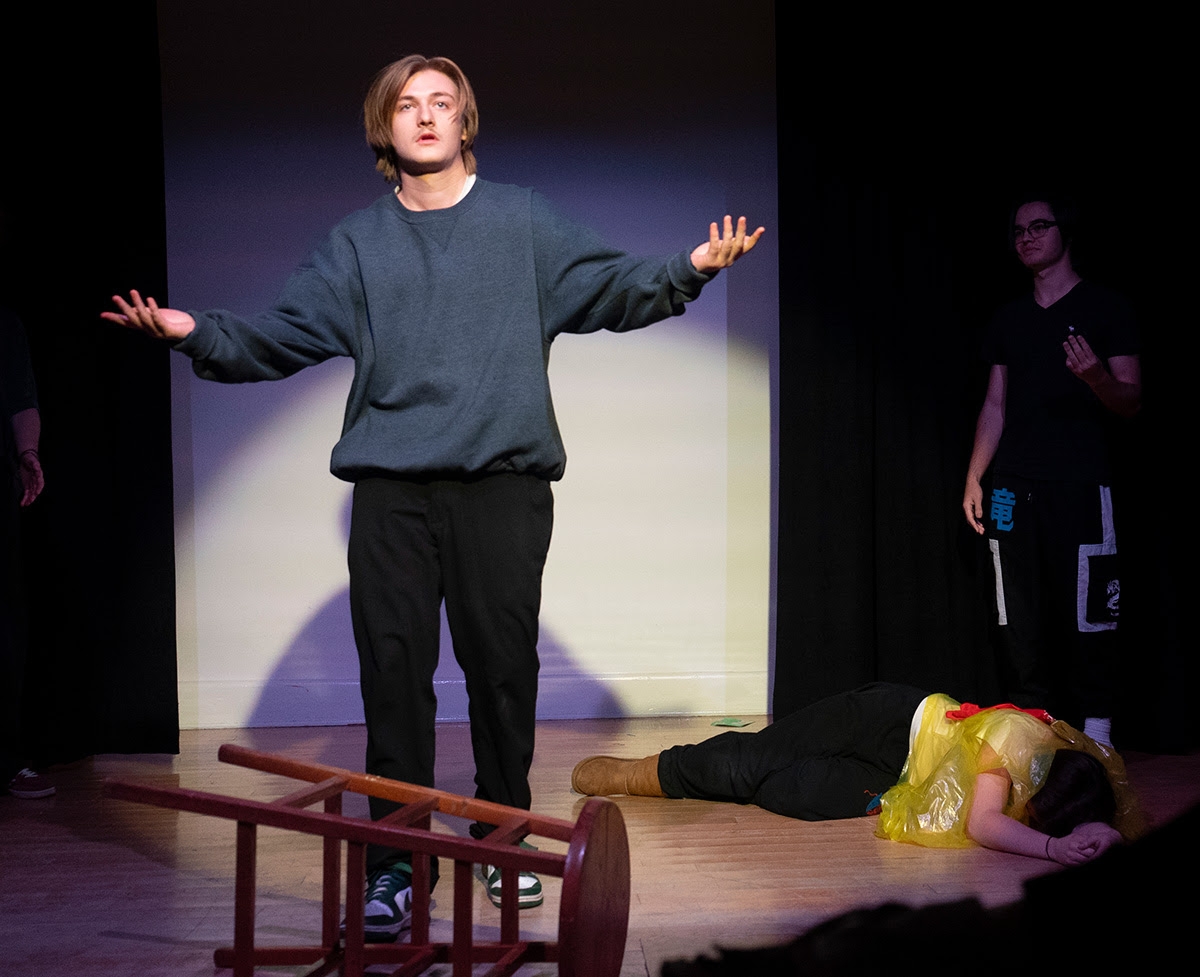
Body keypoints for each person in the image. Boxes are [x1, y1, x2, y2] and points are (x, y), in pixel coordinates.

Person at [103, 54, 763, 939]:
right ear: (386, 127)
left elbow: (611, 286)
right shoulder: (356, 244)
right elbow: (282, 334)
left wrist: (689, 267)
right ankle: (392, 865)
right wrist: (195, 332)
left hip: (503, 488)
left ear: (464, 123)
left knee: (501, 672)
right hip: (392, 495)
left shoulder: (523, 221)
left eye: (441, 103)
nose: (425, 117)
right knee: (394, 683)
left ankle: (506, 838)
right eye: (407, 105)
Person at [571, 682, 1143, 863]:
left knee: (792, 793)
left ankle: (745, 779)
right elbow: (984, 822)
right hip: (887, 723)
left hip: (899, 777)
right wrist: (1052, 848)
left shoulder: (1075, 768)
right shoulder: (1015, 741)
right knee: (749, 764)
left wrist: (1101, 832)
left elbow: (1120, 806)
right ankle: (638, 773)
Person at [962, 196, 1140, 748]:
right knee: (1017, 611)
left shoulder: (1107, 308)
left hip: (1082, 484)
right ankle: (1033, 730)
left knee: (1091, 611)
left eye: (1039, 226)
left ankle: (1099, 732)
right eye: (1017, 230)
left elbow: (1131, 400)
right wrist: (974, 477)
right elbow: (995, 405)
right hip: (1013, 486)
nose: (1026, 237)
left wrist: (1095, 380)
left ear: (1065, 232)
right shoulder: (1009, 318)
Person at [1, 306, 51, 799]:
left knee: (5, 629)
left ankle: (7, 760)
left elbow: (20, 396)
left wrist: (27, 454)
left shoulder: (4, 319)